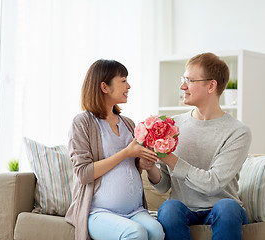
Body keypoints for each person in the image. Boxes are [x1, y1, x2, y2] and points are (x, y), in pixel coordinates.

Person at [139, 52, 252, 240]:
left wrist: (169, 157)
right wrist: (151, 166)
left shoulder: (238, 132)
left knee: (226, 207)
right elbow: (163, 186)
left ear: (211, 85)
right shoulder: (172, 125)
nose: (182, 86)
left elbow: (213, 184)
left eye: (190, 80)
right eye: (183, 79)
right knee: (169, 207)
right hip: (182, 208)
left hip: (223, 209)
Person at [65, 59, 165, 240]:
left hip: (134, 210)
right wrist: (126, 153)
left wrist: (146, 163)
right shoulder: (83, 122)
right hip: (98, 212)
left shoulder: (128, 123)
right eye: (123, 81)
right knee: (135, 233)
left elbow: (149, 174)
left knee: (157, 232)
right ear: (105, 87)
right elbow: (84, 173)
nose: (129, 86)